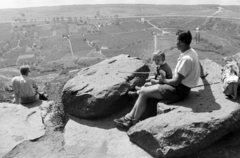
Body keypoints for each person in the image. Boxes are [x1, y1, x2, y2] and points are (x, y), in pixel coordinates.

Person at [114, 30, 207, 128]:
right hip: (180, 88)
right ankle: (129, 118)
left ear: (182, 42)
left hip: (178, 90)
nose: (175, 42)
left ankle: (132, 121)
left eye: (176, 40)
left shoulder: (186, 59)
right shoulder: (192, 52)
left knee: (143, 93)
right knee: (143, 90)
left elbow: (176, 82)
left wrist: (163, 81)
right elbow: (199, 64)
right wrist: (203, 75)